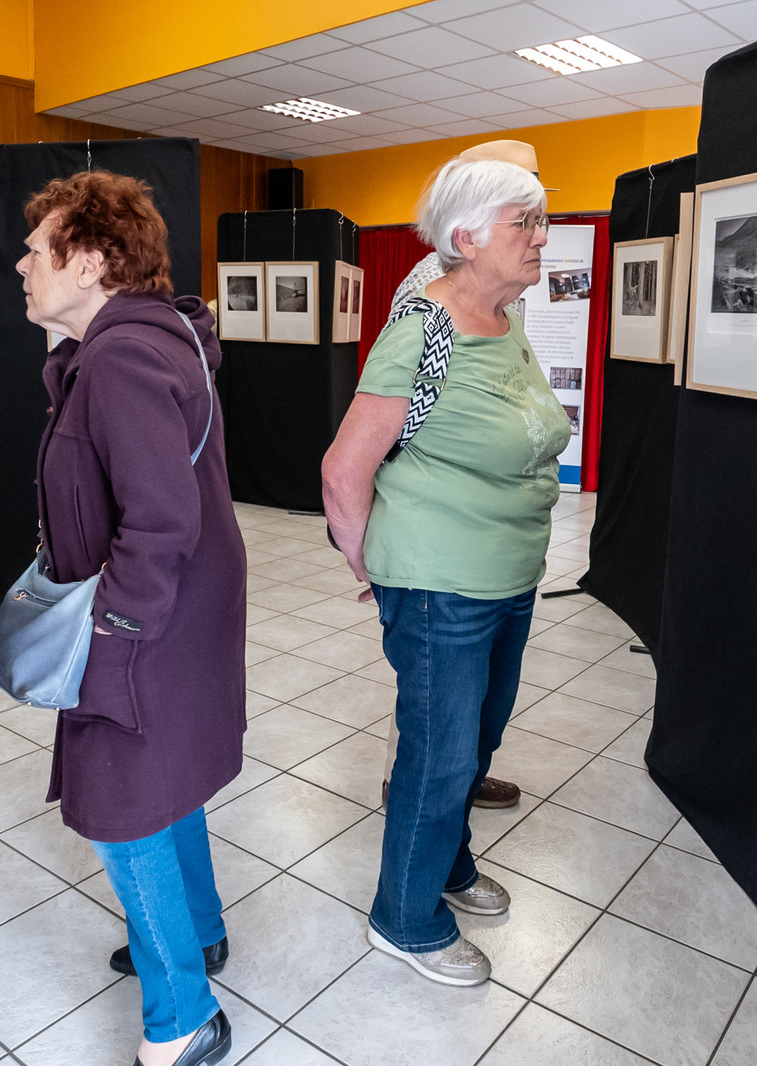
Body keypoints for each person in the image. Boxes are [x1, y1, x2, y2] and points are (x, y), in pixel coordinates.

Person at [323, 158, 570, 986]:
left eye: (542, 220)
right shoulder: (421, 331)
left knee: (476, 742)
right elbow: (342, 471)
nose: (541, 237)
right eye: (523, 223)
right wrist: (374, 566)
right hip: (440, 585)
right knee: (439, 756)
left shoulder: (509, 316)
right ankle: (405, 917)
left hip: (507, 575)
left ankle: (451, 866)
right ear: (465, 239)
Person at [18, 170, 245, 1066]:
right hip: (181, 608)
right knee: (164, 776)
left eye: (39, 250)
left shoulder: (118, 357)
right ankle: (201, 934)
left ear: (94, 261)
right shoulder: (140, 344)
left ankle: (186, 1016)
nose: (23, 264)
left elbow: (159, 518)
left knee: (122, 806)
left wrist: (111, 635)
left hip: (150, 615)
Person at [374, 138, 557, 814]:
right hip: (439, 539)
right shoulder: (430, 286)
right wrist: (380, 542)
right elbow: (396, 419)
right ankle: (414, 787)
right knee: (435, 700)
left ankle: (460, 777)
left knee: (469, 696)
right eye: (523, 199)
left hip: (491, 534)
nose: (536, 222)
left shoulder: (504, 279)